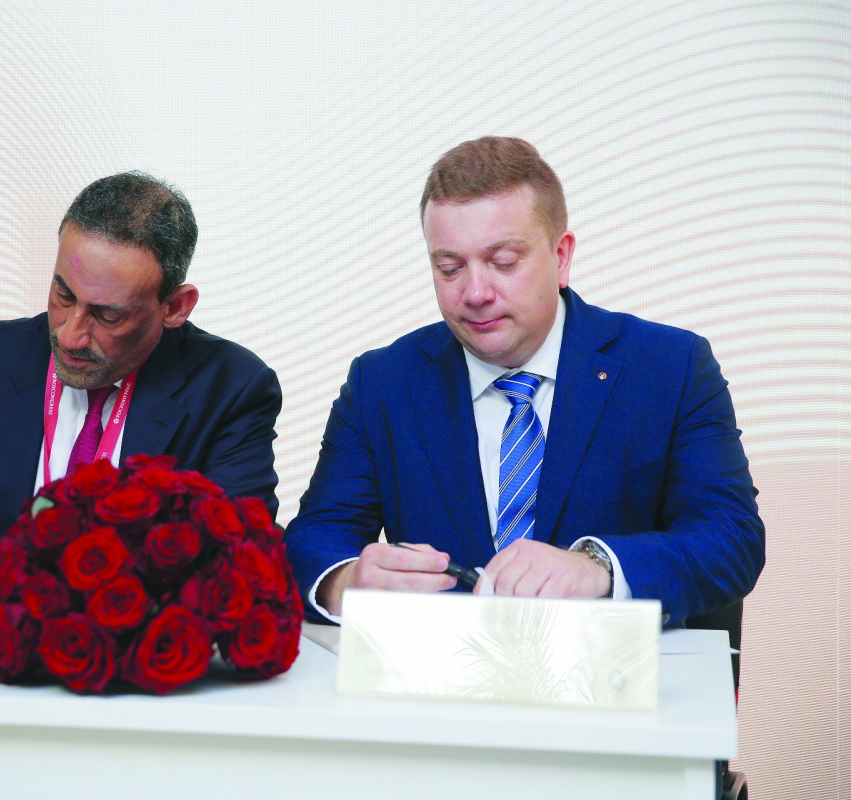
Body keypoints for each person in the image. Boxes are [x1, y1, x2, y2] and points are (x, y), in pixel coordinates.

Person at [284, 137, 764, 627]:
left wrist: (597, 567)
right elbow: (317, 534)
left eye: (504, 263)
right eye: (449, 267)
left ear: (561, 256)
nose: (474, 293)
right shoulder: (383, 382)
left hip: (614, 678)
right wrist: (344, 581)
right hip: (437, 677)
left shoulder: (670, 367)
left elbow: (731, 537)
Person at [0, 172, 281, 580]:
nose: (69, 336)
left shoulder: (231, 388)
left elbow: (239, 565)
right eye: (63, 295)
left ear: (175, 307)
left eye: (107, 315)